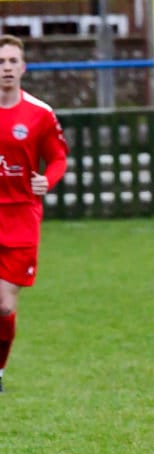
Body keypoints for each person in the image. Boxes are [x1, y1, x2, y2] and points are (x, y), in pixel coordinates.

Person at [0, 35, 68, 394]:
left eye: (13, 61)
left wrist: (47, 180)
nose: (7, 68)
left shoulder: (39, 114)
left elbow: (58, 157)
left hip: (21, 217)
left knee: (3, 306)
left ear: (23, 68)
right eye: (1, 62)